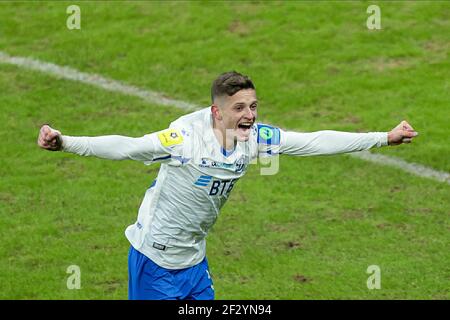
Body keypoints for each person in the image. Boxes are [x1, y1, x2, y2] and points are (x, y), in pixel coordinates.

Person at [37, 71, 418, 300]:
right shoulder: (185, 140)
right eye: (239, 108)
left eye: (253, 106)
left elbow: (313, 141)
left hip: (194, 261)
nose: (249, 115)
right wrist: (67, 142)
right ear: (217, 111)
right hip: (154, 262)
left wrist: (382, 137)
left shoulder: (254, 138)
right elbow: (127, 147)